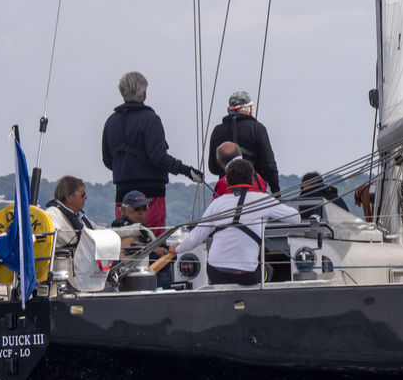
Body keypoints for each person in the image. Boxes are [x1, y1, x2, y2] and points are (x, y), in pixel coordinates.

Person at [173, 158, 302, 286]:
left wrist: (176, 249)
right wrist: (268, 214)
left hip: (216, 273)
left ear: (227, 180)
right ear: (252, 179)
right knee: (268, 270)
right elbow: (296, 218)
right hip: (247, 275)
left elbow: (193, 239)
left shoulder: (217, 203)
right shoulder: (263, 200)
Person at [101, 71, 204, 230]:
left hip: (123, 193)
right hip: (151, 193)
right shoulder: (151, 119)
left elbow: (108, 160)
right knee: (153, 239)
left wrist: (125, 169)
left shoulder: (110, 122)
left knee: (125, 238)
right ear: (144, 94)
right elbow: (159, 158)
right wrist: (187, 171)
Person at [207, 90, 281, 192]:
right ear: (248, 108)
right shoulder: (258, 129)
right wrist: (276, 192)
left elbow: (213, 168)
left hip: (225, 189)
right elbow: (269, 166)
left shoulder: (217, 131)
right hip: (254, 188)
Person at [43, 175, 97, 255]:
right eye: (82, 194)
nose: (85, 197)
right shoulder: (52, 215)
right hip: (63, 262)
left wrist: (117, 231)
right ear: (68, 197)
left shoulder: (80, 218)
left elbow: (98, 230)